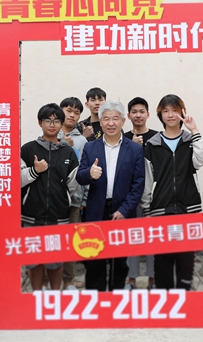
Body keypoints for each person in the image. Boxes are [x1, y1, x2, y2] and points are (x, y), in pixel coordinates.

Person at [140, 94, 203, 292]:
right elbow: (148, 178)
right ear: (160, 114)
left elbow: (200, 161)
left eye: (175, 110)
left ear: (182, 113)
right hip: (161, 208)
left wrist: (194, 130)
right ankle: (164, 293)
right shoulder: (152, 144)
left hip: (188, 207)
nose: (170, 115)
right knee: (163, 256)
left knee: (186, 255)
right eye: (166, 111)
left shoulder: (189, 140)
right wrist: (146, 208)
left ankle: (185, 292)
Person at [76, 101, 145, 291]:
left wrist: (124, 210)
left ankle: (116, 297)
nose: (111, 123)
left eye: (115, 118)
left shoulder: (135, 149)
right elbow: (80, 177)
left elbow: (138, 184)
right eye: (106, 119)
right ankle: (96, 299)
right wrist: (89, 173)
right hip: (96, 211)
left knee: (119, 262)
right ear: (100, 121)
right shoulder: (90, 148)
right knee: (94, 260)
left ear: (123, 121)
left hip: (122, 211)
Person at [21, 103, 79, 290]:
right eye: (47, 120)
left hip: (58, 216)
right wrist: (34, 171)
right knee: (34, 260)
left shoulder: (68, 152)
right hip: (31, 215)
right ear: (40, 123)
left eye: (56, 121)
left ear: (61, 124)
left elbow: (73, 183)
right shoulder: (28, 149)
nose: (52, 125)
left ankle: (55, 295)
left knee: (55, 260)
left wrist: (62, 197)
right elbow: (17, 181)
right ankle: (37, 294)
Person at [124, 97, 158, 290]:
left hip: (153, 197)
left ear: (148, 114)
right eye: (134, 112)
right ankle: (131, 280)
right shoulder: (122, 138)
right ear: (128, 116)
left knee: (153, 239)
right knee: (131, 239)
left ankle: (153, 279)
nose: (138, 115)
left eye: (142, 111)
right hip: (128, 197)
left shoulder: (157, 137)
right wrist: (132, 146)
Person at [58, 97, 89, 289]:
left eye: (76, 113)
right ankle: (47, 282)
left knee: (71, 242)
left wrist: (83, 198)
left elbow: (85, 171)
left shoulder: (82, 141)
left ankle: (68, 281)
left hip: (74, 200)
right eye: (68, 110)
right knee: (52, 240)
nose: (72, 115)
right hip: (52, 198)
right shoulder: (48, 133)